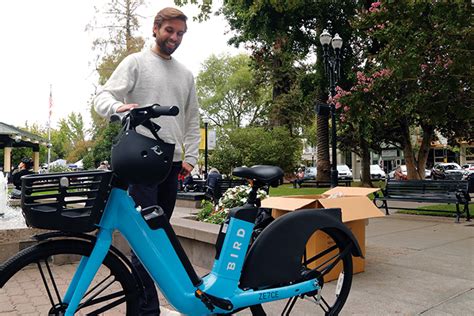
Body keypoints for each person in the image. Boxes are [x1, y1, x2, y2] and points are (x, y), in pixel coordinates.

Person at [93, 7, 200, 315]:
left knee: (158, 234)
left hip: (172, 163)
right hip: (141, 160)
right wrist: (118, 107)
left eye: (180, 34)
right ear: (156, 28)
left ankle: (156, 301)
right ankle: (147, 307)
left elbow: (193, 120)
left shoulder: (186, 74)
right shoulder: (136, 62)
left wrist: (190, 158)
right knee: (144, 237)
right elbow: (102, 97)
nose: (175, 38)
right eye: (170, 31)